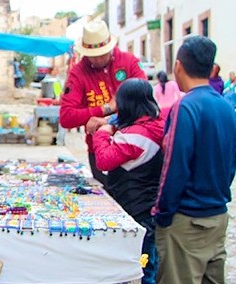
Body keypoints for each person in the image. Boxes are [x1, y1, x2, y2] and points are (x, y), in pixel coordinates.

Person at [153, 36, 236, 284]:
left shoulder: (186, 107)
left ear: (178, 66)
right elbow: (230, 166)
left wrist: (162, 212)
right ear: (212, 68)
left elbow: (174, 166)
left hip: (187, 220)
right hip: (218, 215)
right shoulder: (226, 108)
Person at [91, 78, 163, 284]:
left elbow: (104, 160)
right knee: (148, 263)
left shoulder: (136, 136)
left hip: (138, 209)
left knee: (141, 267)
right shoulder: (155, 124)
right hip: (149, 207)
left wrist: (102, 134)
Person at [59, 20, 146, 186]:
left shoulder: (130, 62)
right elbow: (66, 117)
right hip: (100, 152)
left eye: (102, 53)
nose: (97, 59)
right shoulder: (78, 72)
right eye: (93, 55)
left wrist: (107, 120)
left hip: (135, 148)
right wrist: (106, 108)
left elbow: (143, 105)